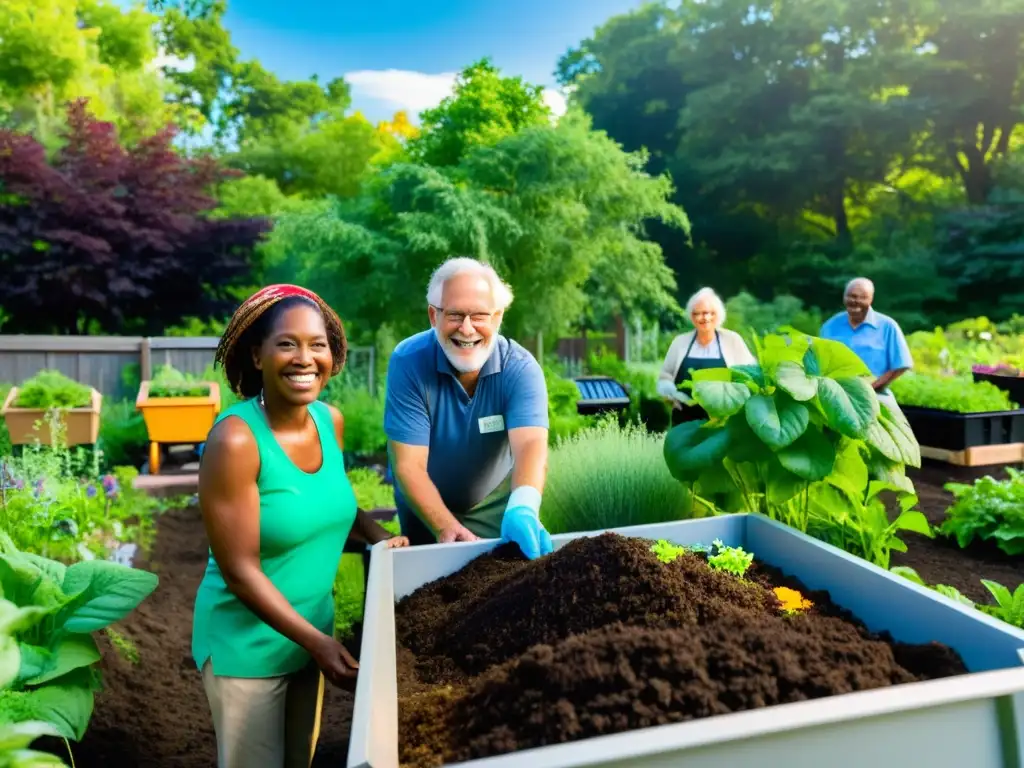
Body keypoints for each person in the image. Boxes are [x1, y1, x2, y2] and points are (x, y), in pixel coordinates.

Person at [191, 284, 408, 768]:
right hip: (246, 647)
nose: (304, 358)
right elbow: (240, 571)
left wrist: (380, 540)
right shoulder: (235, 440)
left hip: (309, 633)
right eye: (287, 344)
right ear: (257, 355)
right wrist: (319, 643)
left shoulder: (329, 421)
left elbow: (329, 506)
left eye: (317, 345)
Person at [384, 257, 553, 559]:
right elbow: (408, 466)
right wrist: (444, 526)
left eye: (479, 316)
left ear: (497, 318)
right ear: (433, 316)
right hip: (426, 510)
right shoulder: (408, 362)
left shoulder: (520, 368)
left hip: (493, 505)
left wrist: (523, 506)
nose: (467, 328)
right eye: (455, 315)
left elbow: (530, 444)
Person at [657, 287, 756, 425]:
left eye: (710, 313)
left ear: (718, 315)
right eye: (699, 313)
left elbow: (750, 374)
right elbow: (665, 375)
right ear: (692, 317)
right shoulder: (680, 342)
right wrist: (669, 394)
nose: (705, 318)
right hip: (684, 417)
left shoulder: (732, 340)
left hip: (722, 419)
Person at [819, 277, 913, 396]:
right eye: (851, 296)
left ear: (871, 299)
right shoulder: (830, 325)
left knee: (896, 414)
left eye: (862, 297)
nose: (855, 301)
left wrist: (871, 388)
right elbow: (818, 363)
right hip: (834, 395)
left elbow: (902, 365)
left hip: (876, 395)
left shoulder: (888, 326)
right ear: (844, 297)